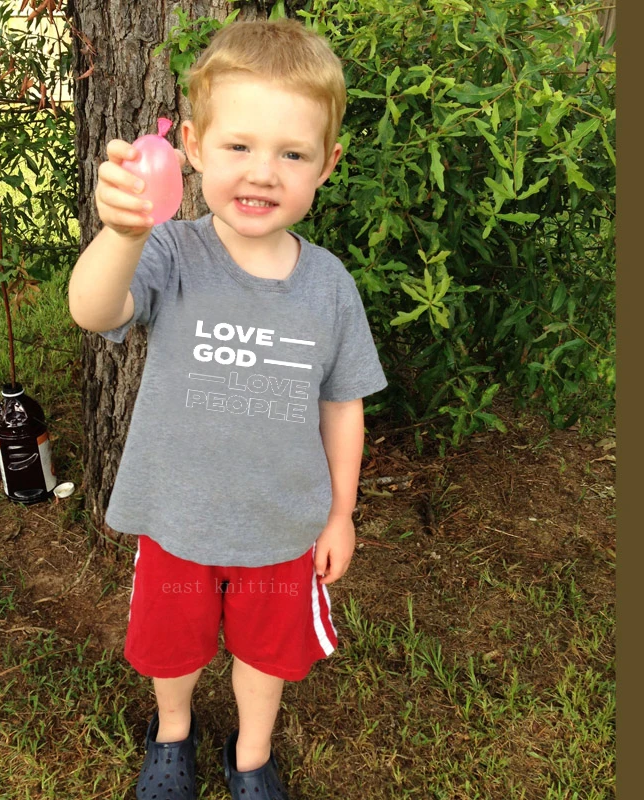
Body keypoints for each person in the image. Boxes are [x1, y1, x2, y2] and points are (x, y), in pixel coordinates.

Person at [68, 18, 387, 800]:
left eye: (292, 154)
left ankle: (250, 754)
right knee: (172, 650)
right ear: (196, 147)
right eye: (239, 146)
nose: (263, 172)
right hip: (176, 521)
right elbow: (93, 309)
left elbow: (343, 405)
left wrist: (340, 514)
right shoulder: (171, 252)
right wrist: (122, 234)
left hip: (280, 530)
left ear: (327, 164)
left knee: (265, 657)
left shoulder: (329, 285)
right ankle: (171, 735)